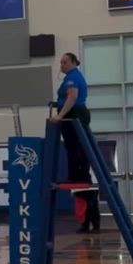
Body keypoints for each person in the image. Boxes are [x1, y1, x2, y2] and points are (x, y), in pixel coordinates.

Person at [52, 52, 93, 185]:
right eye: (61, 63)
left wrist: (60, 115)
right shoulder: (73, 77)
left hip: (74, 114)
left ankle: (78, 177)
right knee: (76, 146)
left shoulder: (72, 77)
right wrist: (57, 104)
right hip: (76, 113)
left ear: (74, 63)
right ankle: (80, 176)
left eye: (65, 62)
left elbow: (72, 97)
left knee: (74, 147)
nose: (62, 65)